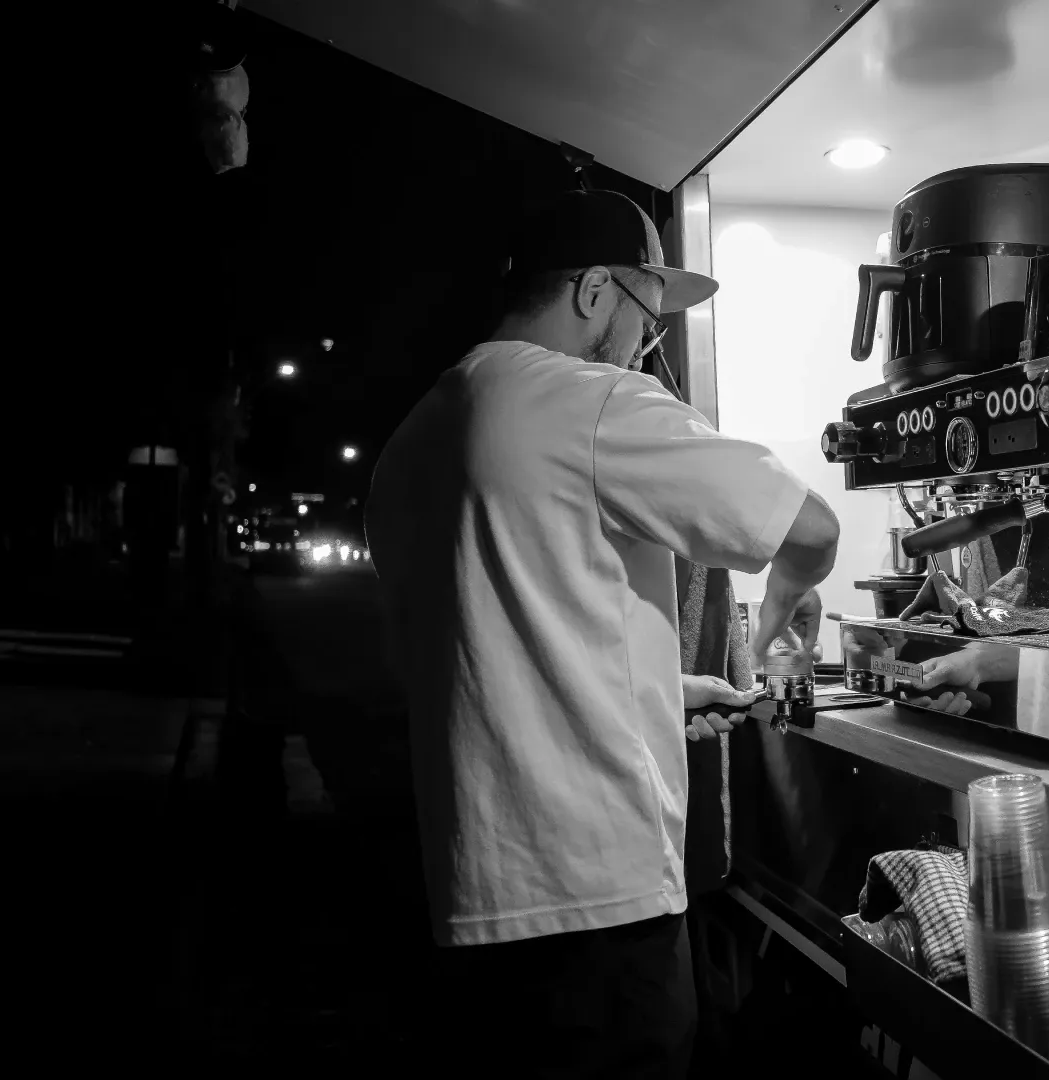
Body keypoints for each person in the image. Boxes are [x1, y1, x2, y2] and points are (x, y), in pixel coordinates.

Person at [365, 188, 839, 1079]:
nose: (645, 350)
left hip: (470, 901)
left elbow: (492, 653)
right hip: (600, 908)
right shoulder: (591, 400)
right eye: (647, 324)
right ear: (592, 291)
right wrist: (784, 606)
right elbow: (809, 529)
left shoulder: (415, 439)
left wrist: (661, 693)